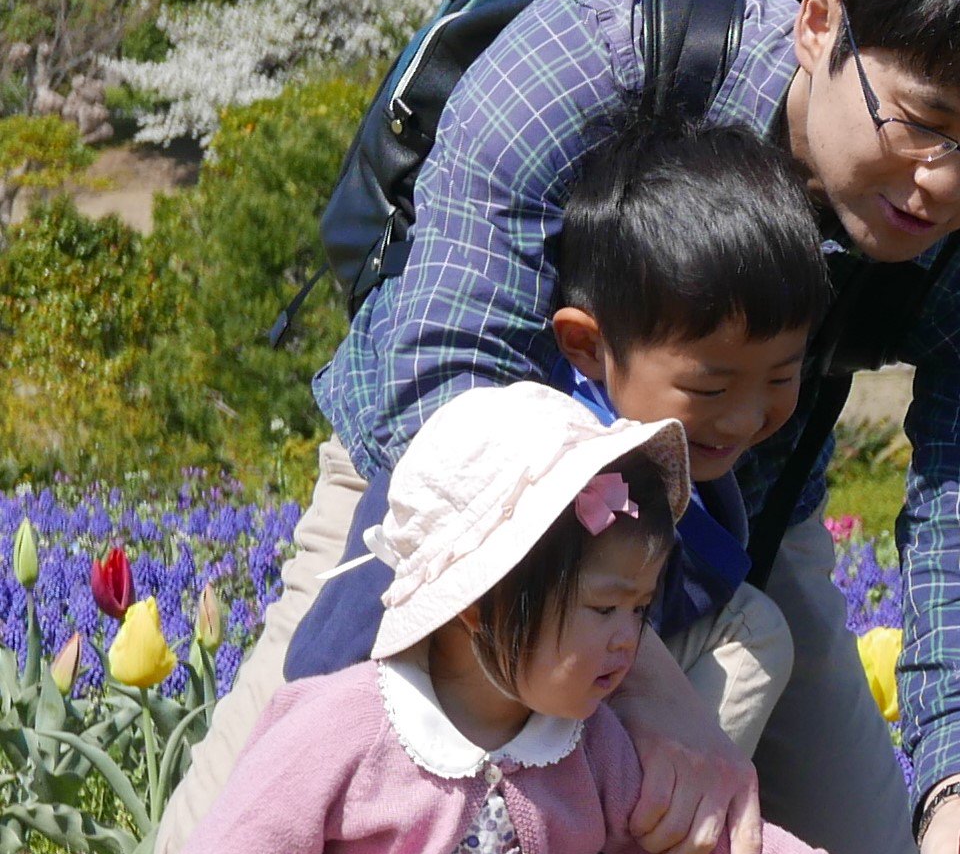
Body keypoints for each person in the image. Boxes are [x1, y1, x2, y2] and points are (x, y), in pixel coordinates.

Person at [155, 0, 960, 854]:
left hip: (735, 511)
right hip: (433, 478)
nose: (948, 182)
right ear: (820, 24)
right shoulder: (599, 61)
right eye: (924, 120)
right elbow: (442, 381)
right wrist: (649, 681)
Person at [145, 386, 960, 854]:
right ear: (476, 602)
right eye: (604, 610)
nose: (628, 643)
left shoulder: (585, 738)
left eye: (639, 611)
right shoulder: (346, 718)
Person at [280, 118, 820, 757]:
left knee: (757, 626)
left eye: (782, 377)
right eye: (710, 389)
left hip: (558, 715)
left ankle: (648, 825)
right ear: (587, 345)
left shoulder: (676, 460)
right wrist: (313, 737)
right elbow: (375, 582)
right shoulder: (513, 450)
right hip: (417, 729)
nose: (743, 419)